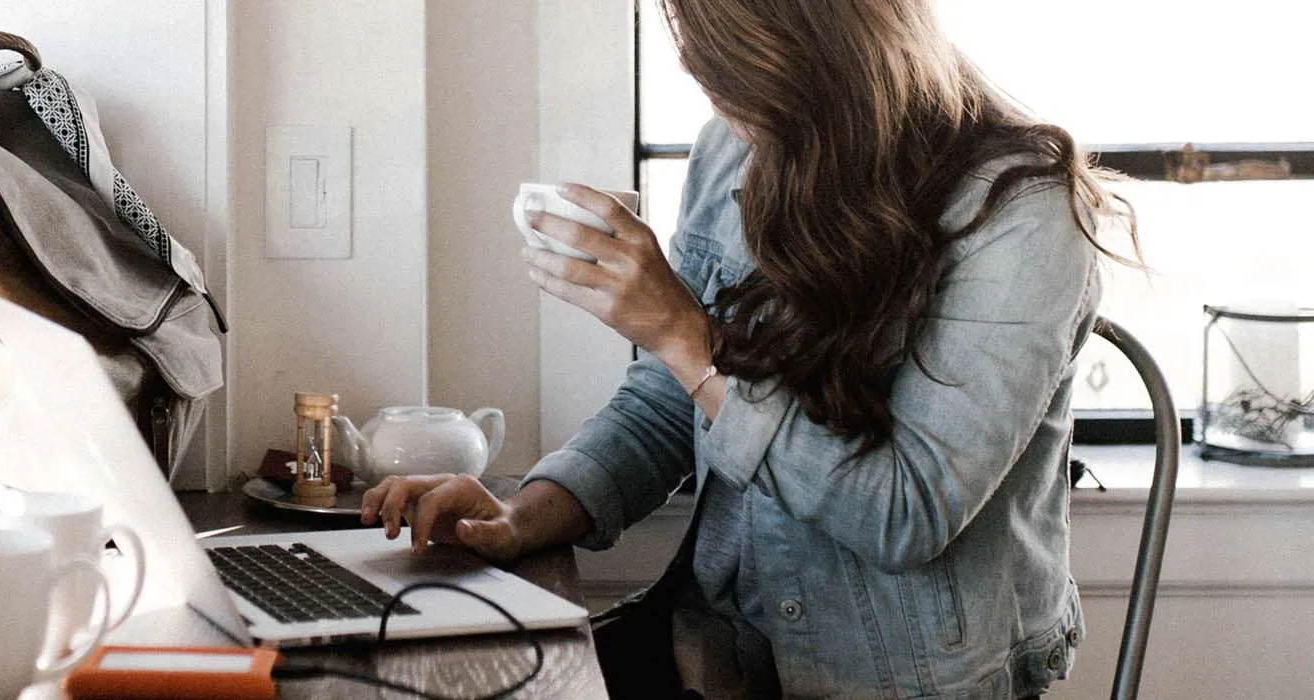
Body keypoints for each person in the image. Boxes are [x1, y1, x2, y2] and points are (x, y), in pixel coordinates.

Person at [361, 0, 1138, 697]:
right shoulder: (737, 150)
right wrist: (523, 515)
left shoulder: (1023, 214)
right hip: (716, 652)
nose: (726, 115)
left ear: (827, 54)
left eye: (738, 81)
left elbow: (907, 513)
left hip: (903, 678)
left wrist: (682, 333)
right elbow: (667, 405)